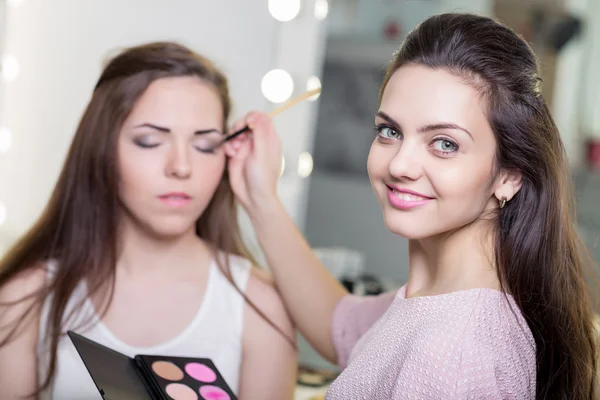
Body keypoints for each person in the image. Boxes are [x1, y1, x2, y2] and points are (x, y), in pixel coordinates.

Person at [225, 13, 599, 399]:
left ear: (509, 175)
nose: (400, 165)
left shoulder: (452, 356)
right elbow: (345, 329)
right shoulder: (439, 304)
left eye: (445, 143)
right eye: (390, 131)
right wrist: (259, 196)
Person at [0, 42, 297, 400]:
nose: (181, 166)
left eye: (205, 146)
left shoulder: (260, 307)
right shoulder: (25, 298)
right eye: (150, 141)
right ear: (102, 150)